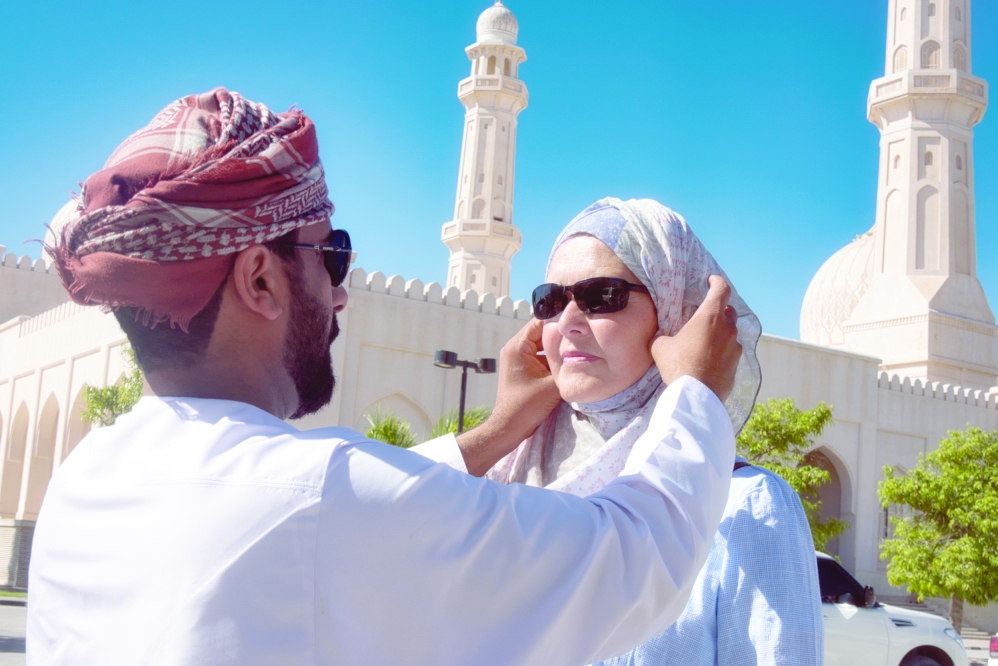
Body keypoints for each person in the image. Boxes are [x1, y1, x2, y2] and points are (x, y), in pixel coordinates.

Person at [27, 89, 743, 665]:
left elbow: (363, 505)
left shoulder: (85, 480)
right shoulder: (318, 499)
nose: (341, 292)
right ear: (259, 280)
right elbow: (630, 561)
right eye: (329, 255)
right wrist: (695, 394)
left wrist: (494, 434)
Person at [488, 198, 823, 665]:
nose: (567, 322)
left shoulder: (743, 506)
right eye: (551, 300)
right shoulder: (504, 479)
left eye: (601, 296)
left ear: (674, 315)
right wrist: (499, 431)